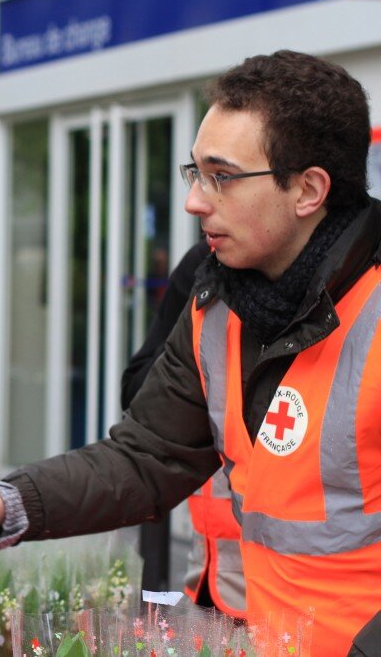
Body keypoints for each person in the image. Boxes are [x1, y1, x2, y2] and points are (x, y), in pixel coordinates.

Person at [0, 50, 381, 655]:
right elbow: (144, 460)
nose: (196, 201)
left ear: (308, 189)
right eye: (193, 172)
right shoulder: (216, 301)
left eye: (221, 177)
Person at [121, 238, 247, 619]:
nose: (198, 200)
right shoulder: (203, 265)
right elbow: (137, 392)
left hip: (290, 605)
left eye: (223, 178)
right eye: (199, 177)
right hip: (209, 578)